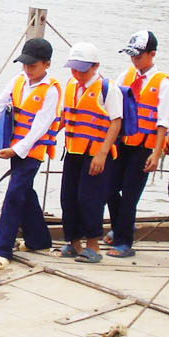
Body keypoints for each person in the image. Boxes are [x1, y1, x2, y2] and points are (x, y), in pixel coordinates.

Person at [0, 38, 61, 270]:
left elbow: (41, 125)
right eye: (25, 65)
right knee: (25, 191)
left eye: (32, 65)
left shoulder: (52, 90)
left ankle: (2, 249)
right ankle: (39, 241)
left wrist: (17, 150)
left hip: (32, 149)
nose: (27, 70)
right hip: (13, 144)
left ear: (46, 64)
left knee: (15, 194)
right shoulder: (17, 80)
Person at [105, 30, 169, 258]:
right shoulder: (126, 76)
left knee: (131, 193)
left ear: (151, 54)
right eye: (132, 56)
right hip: (123, 142)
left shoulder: (162, 82)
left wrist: (157, 152)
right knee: (109, 188)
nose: (135, 60)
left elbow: (163, 121)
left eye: (139, 56)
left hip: (145, 145)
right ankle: (120, 226)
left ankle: (124, 242)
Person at [58, 43, 123, 262]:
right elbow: (65, 117)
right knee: (68, 197)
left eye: (82, 70)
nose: (77, 74)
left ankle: (93, 245)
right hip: (73, 150)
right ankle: (73, 242)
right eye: (74, 69)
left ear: (95, 66)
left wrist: (102, 154)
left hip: (95, 153)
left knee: (90, 198)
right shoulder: (70, 86)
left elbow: (115, 123)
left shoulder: (108, 89)